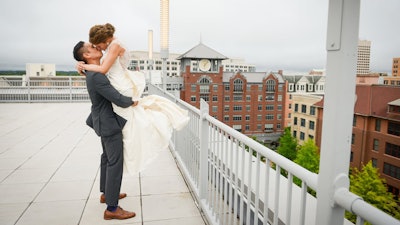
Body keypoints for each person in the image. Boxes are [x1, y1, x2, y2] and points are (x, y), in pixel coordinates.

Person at [77, 23, 189, 174]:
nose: (100, 49)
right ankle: (123, 153)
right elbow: (100, 76)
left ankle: (131, 150)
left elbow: (102, 71)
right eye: (95, 47)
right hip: (118, 87)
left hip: (121, 86)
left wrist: (85, 67)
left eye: (99, 45)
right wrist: (84, 68)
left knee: (130, 127)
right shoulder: (112, 46)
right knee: (126, 131)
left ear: (105, 40)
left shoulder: (114, 46)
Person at [73, 41, 137, 220]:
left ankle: (107, 194)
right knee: (115, 162)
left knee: (107, 158)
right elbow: (116, 98)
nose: (97, 47)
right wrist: (132, 101)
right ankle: (112, 208)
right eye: (92, 47)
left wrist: (81, 66)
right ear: (87, 55)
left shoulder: (92, 71)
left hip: (102, 120)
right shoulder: (96, 75)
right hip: (108, 123)